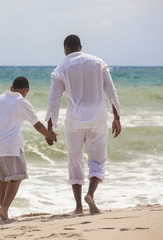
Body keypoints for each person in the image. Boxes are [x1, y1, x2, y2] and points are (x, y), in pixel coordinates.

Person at [45, 34, 121, 214]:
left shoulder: (61, 68)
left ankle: (78, 207)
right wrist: (116, 116)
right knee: (98, 159)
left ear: (65, 48)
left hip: (74, 121)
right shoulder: (98, 62)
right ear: (80, 46)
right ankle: (91, 195)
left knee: (75, 160)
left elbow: (53, 100)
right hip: (97, 118)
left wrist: (50, 128)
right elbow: (111, 90)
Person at [0, 76, 56, 221]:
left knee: (3, 180)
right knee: (17, 177)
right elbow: (36, 124)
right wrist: (48, 135)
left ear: (11, 88)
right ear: (26, 90)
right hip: (12, 147)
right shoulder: (22, 102)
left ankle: (3, 212)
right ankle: (4, 209)